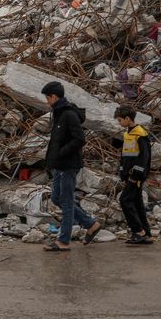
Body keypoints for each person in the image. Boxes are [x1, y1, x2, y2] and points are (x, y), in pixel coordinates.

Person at [41, 81, 101, 251]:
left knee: (66, 202)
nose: (46, 101)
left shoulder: (68, 114)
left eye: (47, 97)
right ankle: (91, 224)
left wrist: (62, 153)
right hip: (59, 165)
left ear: (54, 96)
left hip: (68, 165)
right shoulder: (58, 113)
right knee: (56, 199)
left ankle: (64, 241)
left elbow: (79, 139)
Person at [113, 105, 154, 245]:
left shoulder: (140, 134)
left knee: (124, 200)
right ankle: (146, 233)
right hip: (129, 175)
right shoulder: (128, 134)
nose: (119, 123)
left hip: (136, 176)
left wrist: (135, 175)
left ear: (127, 119)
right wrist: (122, 172)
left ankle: (138, 231)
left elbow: (144, 158)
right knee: (137, 203)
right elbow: (125, 156)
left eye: (120, 120)